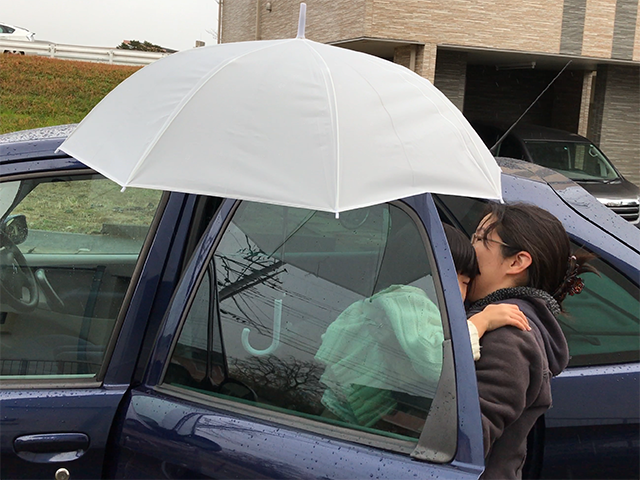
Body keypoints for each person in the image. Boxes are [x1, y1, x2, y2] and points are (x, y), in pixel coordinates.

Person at [314, 224, 529, 429]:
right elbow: (438, 361)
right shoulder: (411, 301)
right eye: (462, 281)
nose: (463, 294)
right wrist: (482, 321)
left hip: (352, 405)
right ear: (432, 273)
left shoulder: (392, 301)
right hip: (346, 411)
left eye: (467, 282)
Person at [466, 202, 594, 480]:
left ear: (517, 262)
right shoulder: (493, 318)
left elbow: (461, 440)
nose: (468, 249)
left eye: (479, 239)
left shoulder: (508, 337)